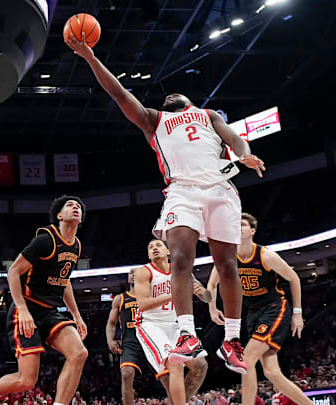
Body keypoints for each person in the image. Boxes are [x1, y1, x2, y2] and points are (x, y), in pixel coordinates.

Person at [65, 32, 266, 374]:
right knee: (181, 259)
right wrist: (89, 57)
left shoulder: (208, 115)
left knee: (227, 264)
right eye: (167, 94)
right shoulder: (153, 120)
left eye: (177, 92)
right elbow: (117, 91)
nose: (170, 94)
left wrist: (243, 155)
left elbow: (235, 139)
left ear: (189, 100)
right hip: (182, 191)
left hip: (220, 188)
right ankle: (187, 333)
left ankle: (232, 340)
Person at [0, 196, 89, 405]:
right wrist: (23, 309)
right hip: (27, 308)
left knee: (79, 353)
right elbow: (13, 272)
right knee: (26, 380)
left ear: (81, 218)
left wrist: (76, 315)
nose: (75, 207)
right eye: (69, 205)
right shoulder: (45, 239)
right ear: (59, 215)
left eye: (78, 206)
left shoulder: (76, 246)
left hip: (50, 311)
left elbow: (64, 281)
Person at [207, 213, 310, 405]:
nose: (237, 228)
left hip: (274, 308)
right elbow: (212, 285)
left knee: (246, 359)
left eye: (242, 225)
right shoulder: (227, 257)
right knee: (272, 373)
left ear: (252, 231)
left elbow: (294, 278)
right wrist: (212, 308)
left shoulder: (266, 256)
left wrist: (298, 313)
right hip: (252, 313)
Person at [107, 268, 207, 405]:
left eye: (136, 272)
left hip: (152, 338)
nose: (133, 274)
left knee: (167, 379)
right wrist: (110, 340)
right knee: (126, 374)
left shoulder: (153, 296)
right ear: (128, 279)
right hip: (131, 342)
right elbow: (111, 323)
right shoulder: (120, 299)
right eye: (131, 273)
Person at [134, 239, 209, 405]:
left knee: (200, 366)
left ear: (168, 251)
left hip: (174, 324)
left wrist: (201, 291)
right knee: (175, 363)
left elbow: (207, 297)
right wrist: (177, 293)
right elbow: (143, 305)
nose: (154, 248)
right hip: (150, 324)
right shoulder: (143, 272)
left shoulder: (181, 271)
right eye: (150, 247)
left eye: (158, 245)